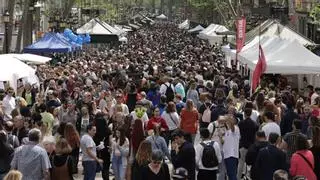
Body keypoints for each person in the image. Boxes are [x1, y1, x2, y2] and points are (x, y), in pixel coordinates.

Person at [237, 108, 258, 179]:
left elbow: (238, 134)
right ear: (251, 113)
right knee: (250, 164)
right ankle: (248, 177)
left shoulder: (241, 123)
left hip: (242, 144)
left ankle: (238, 177)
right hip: (251, 146)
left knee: (241, 162)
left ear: (244, 114)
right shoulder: (254, 124)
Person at [223, 115, 240, 180]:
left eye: (231, 119)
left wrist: (230, 118)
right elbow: (224, 142)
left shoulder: (236, 128)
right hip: (226, 155)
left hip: (232, 155)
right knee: (229, 174)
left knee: (232, 175)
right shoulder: (227, 131)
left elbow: (232, 127)